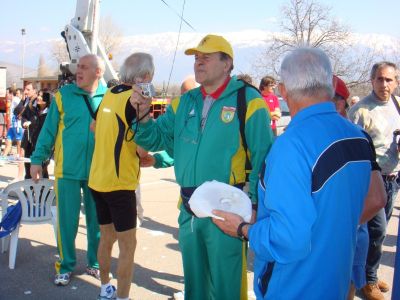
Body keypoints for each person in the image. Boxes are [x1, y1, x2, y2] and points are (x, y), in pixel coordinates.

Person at [213, 47, 374, 299]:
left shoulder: (291, 146)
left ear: (283, 90)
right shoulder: (358, 137)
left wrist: (243, 228)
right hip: (335, 280)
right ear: (332, 83)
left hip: (295, 285)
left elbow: (288, 239)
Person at [131, 34, 273, 300]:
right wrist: (141, 115)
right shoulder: (184, 101)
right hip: (189, 211)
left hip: (227, 213)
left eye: (206, 58)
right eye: (196, 58)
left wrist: (254, 205)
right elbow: (157, 138)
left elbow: (264, 159)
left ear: (227, 64)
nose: (198, 63)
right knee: (195, 288)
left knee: (227, 288)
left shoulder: (249, 100)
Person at [30, 54, 107, 286]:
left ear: (98, 72)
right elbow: (49, 131)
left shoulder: (110, 99)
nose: (78, 72)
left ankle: (94, 263)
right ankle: (65, 265)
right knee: (67, 222)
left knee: (97, 222)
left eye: (84, 67)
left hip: (99, 171)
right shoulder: (63, 96)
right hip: (67, 171)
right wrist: (37, 159)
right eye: (78, 67)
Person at [88, 52, 155, 300]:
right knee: (128, 245)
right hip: (120, 184)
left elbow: (94, 126)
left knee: (107, 238)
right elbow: (142, 148)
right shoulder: (135, 100)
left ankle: (106, 288)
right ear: (145, 76)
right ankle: (123, 297)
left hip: (98, 179)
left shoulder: (109, 93)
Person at [348, 61, 400, 300]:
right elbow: (348, 148)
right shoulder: (360, 110)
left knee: (381, 229)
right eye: (379, 79)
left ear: (397, 82)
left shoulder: (398, 106)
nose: (384, 84)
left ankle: (371, 272)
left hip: (393, 178)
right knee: (375, 231)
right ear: (371, 81)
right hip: (370, 180)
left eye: (389, 80)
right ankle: (366, 282)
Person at [332, 75, 387, 299]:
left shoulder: (357, 137)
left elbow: (376, 198)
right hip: (336, 232)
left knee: (345, 286)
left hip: (348, 231)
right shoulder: (310, 136)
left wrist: (344, 225)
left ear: (342, 102)